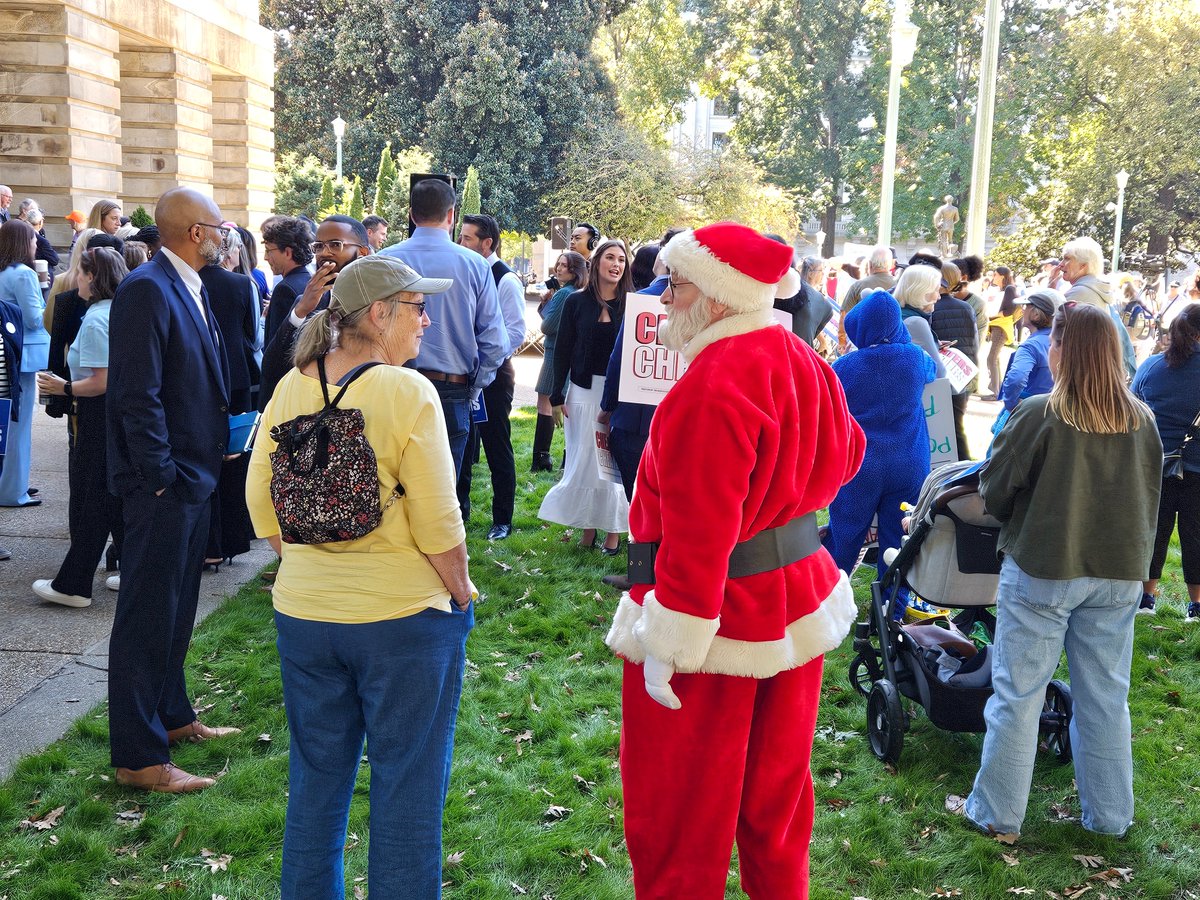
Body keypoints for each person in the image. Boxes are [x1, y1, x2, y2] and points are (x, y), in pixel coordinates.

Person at [604, 222, 864, 899]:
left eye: (679, 283)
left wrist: (669, 640)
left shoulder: (711, 383)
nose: (663, 297)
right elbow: (850, 452)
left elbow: (699, 529)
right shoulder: (802, 357)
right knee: (776, 806)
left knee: (678, 817)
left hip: (711, 620)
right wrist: (789, 493)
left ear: (719, 297)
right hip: (793, 597)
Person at [246, 255, 474, 899]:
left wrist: (308, 565)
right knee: (407, 785)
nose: (427, 320)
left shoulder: (293, 385)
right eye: (417, 307)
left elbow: (260, 501)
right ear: (379, 315)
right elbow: (439, 522)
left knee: (316, 781)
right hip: (402, 621)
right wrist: (461, 593)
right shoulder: (408, 392)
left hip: (305, 618)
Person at [962, 303, 1161, 840]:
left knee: (1018, 696)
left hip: (1045, 570)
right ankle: (1111, 817)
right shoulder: (1142, 420)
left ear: (1065, 352)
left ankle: (997, 813)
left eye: (1054, 341)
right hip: (1118, 573)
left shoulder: (1039, 413)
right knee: (1105, 698)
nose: (1047, 347)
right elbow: (1150, 499)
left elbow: (994, 489)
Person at [105, 187, 239, 794]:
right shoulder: (146, 289)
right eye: (217, 225)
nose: (224, 234)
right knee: (145, 617)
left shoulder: (192, 283)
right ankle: (138, 756)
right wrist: (161, 478)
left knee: (177, 606)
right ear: (192, 232)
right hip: (165, 487)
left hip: (194, 479)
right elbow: (138, 395)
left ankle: (174, 715)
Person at [380, 179, 506, 477]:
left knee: (393, 488)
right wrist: (475, 386)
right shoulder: (476, 265)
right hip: (452, 387)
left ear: (411, 214)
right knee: (446, 492)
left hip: (393, 385)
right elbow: (494, 341)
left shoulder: (384, 260)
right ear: (452, 215)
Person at [32, 248, 129, 607]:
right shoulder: (114, 312)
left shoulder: (96, 319)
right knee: (110, 499)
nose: (75, 279)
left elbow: (101, 380)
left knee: (94, 501)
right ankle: (131, 571)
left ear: (92, 277)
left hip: (95, 417)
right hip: (109, 418)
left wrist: (64, 387)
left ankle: (74, 585)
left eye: (80, 272)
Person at [825, 289, 937, 589]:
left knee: (844, 533)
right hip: (909, 461)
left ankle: (827, 598)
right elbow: (933, 368)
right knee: (898, 541)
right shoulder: (915, 358)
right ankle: (890, 612)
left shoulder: (845, 367)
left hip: (860, 464)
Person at [542, 239, 631, 553]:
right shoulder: (576, 302)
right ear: (596, 263)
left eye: (622, 259)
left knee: (612, 464)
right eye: (610, 257)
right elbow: (562, 350)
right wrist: (556, 395)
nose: (616, 264)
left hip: (617, 396)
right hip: (581, 391)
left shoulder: (632, 304)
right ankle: (588, 529)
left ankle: (614, 534)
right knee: (584, 463)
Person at [456, 213, 524, 539]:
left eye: (467, 238)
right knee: (463, 445)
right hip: (462, 373)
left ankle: (502, 520)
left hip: (494, 377)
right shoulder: (465, 271)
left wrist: (485, 365)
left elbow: (514, 333)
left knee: (497, 445)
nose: (460, 244)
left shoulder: (506, 280)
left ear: (487, 243)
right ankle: (460, 511)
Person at [1131, 303, 1200, 620]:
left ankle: (1146, 599)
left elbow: (1132, 412)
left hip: (1155, 465)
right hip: (1198, 469)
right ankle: (1196, 606)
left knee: (1153, 532)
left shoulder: (1151, 367)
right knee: (1195, 535)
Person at [259, 216, 370, 410]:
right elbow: (271, 368)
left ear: (362, 252)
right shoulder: (306, 302)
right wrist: (300, 311)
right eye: (319, 246)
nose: (325, 253)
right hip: (311, 417)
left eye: (336, 245)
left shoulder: (382, 303)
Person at [199, 233, 261, 570]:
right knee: (234, 458)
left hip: (202, 378)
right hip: (236, 375)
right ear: (230, 252)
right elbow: (252, 335)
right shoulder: (241, 284)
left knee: (205, 456)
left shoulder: (191, 281)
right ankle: (232, 539)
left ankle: (208, 542)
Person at [0, 219, 48, 507]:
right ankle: (12, 490)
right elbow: (34, 318)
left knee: (6, 423)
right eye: (32, 239)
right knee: (19, 425)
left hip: (6, 353)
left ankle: (13, 483)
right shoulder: (23, 274)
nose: (36, 243)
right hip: (23, 354)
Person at [532, 251, 588, 472]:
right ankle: (564, 457)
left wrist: (548, 304)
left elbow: (547, 327)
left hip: (555, 352)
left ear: (574, 270)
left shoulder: (564, 293)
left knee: (544, 403)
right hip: (566, 353)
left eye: (564, 265)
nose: (559, 269)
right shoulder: (578, 291)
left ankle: (541, 458)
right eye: (558, 264)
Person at [1054, 236, 1137, 379]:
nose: (1060, 264)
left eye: (1067, 259)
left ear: (1083, 265)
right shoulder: (1095, 288)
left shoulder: (1080, 293)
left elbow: (1051, 328)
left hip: (1081, 372)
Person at [931, 260, 980, 460]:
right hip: (962, 374)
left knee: (940, 429)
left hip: (941, 376)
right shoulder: (966, 307)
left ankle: (959, 472)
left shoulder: (931, 308)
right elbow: (974, 341)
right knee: (957, 426)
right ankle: (964, 468)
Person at [999, 289, 1061, 413]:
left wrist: (1012, 405)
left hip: (1029, 411)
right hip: (1056, 410)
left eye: (1026, 306)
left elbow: (1016, 378)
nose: (1022, 310)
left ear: (1036, 314)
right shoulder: (1065, 342)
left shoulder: (1031, 345)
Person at [261, 216, 314, 346]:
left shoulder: (284, 289)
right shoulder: (311, 282)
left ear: (288, 253)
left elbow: (277, 347)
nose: (265, 257)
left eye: (269, 251)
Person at [893, 262, 947, 378]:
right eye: (937, 290)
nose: (939, 297)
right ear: (922, 292)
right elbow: (938, 372)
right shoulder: (915, 322)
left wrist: (934, 344)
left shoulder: (895, 313)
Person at [838, 246, 896, 351]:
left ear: (869, 264)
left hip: (861, 344)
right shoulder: (900, 285)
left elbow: (844, 315)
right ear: (891, 264)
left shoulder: (858, 286)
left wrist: (842, 342)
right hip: (893, 344)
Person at [982, 266, 1019, 400]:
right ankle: (996, 390)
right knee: (994, 359)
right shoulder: (1005, 289)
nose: (993, 277)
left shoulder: (1009, 289)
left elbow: (1009, 309)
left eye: (996, 275)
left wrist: (992, 315)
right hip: (998, 326)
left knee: (992, 358)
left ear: (1002, 276)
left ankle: (996, 392)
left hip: (1001, 326)